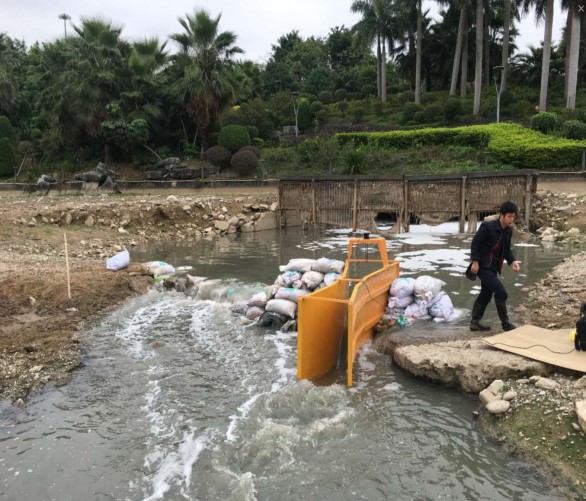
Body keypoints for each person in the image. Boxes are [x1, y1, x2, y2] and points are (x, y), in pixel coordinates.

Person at [469, 201, 521, 332]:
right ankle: (505, 325)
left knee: (486, 294)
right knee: (501, 292)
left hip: (493, 268)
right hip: (483, 266)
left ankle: (474, 322)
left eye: (513, 216)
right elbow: (475, 243)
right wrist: (475, 262)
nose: (512, 219)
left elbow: (506, 250)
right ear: (501, 215)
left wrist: (512, 261)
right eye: (509, 216)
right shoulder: (487, 227)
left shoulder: (508, 231)